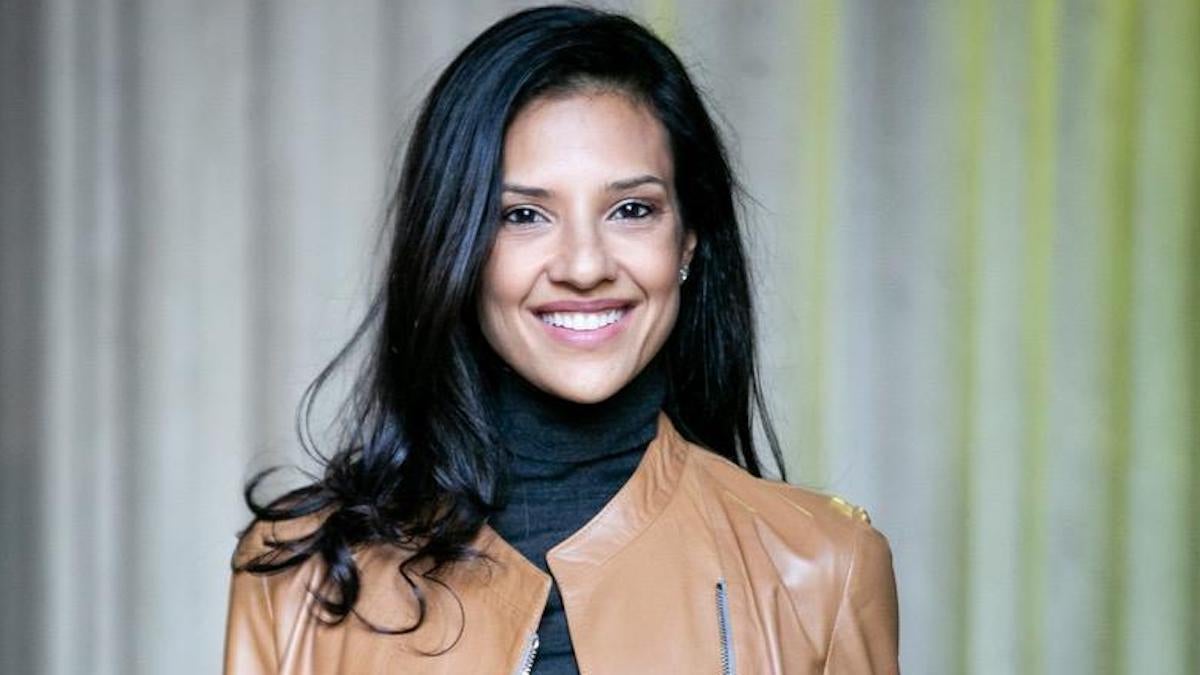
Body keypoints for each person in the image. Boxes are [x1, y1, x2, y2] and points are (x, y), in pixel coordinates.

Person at [223, 5, 899, 674]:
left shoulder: (824, 569)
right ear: (456, 247)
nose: (583, 265)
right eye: (523, 215)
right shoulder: (299, 578)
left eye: (631, 209)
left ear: (688, 240)